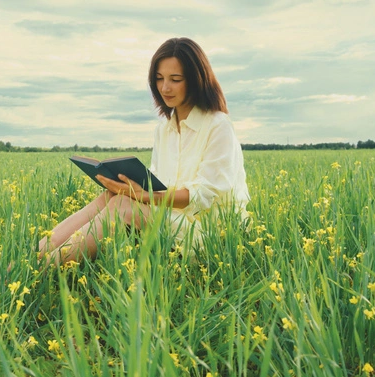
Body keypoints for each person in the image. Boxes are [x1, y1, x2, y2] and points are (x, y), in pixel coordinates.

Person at [39, 37, 250, 265]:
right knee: (110, 197)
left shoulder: (218, 125)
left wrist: (143, 195)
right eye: (159, 79)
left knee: (122, 206)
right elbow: (156, 182)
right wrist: (130, 188)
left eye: (175, 79)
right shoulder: (164, 129)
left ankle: (42, 270)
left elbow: (204, 196)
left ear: (196, 80)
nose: (164, 88)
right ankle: (32, 258)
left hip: (212, 235)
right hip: (173, 221)